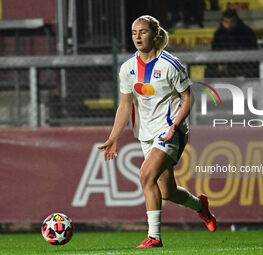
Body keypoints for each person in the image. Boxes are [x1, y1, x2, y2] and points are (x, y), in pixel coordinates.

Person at [98, 15, 216, 248]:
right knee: (167, 192)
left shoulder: (171, 64)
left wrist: (174, 127)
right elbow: (125, 105)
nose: (137, 37)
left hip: (170, 130)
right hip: (146, 133)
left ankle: (154, 237)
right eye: (134, 33)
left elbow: (188, 98)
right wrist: (114, 136)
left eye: (142, 32)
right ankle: (200, 206)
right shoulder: (128, 68)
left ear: (155, 34)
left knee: (145, 176)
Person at [206, 9, 258, 78]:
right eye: (226, 22)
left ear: (237, 21)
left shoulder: (247, 33)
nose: (229, 25)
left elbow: (253, 52)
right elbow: (215, 51)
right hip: (224, 64)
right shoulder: (219, 34)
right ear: (222, 21)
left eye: (232, 22)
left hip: (243, 65)